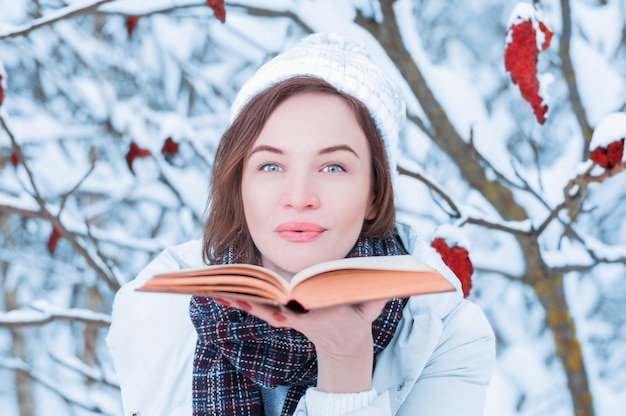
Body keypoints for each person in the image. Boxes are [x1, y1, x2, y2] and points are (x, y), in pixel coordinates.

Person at [107, 33, 495, 416]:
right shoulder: (155, 311)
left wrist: (346, 359)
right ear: (239, 184)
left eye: (333, 167)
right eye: (271, 166)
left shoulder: (447, 336)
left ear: (374, 194)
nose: (299, 196)